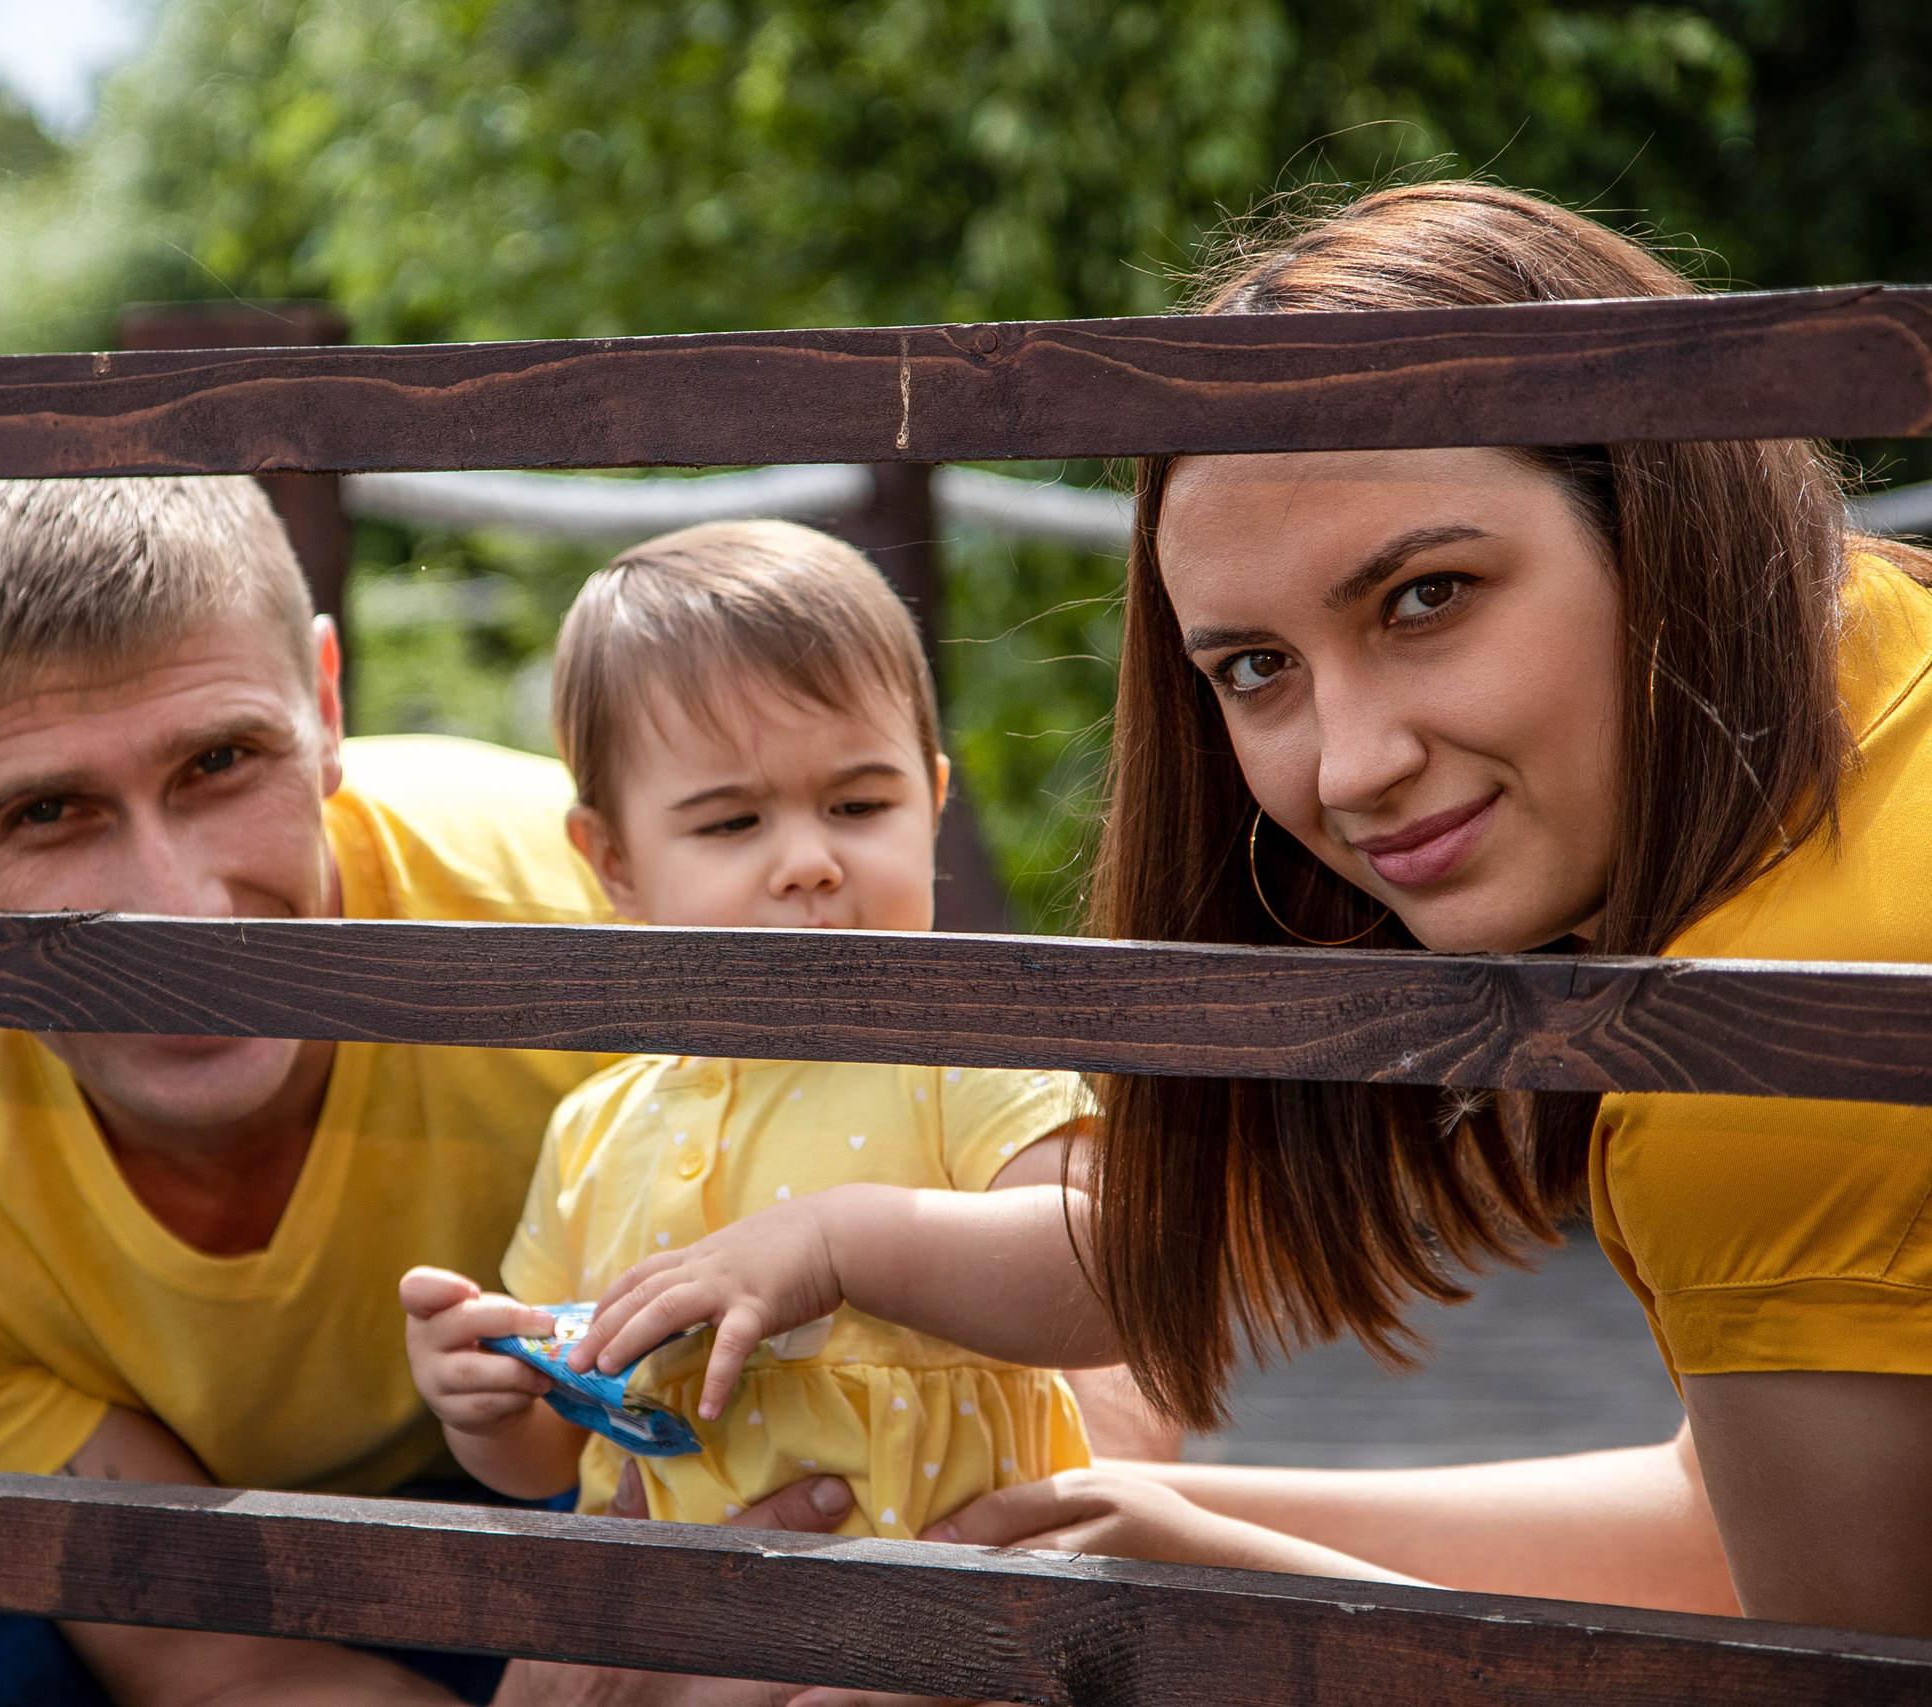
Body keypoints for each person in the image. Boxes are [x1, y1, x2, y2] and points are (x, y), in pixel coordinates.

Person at [580, 181, 1932, 1641]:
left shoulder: (1762, 1068)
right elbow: (1721, 1518)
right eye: (1251, 669)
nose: (1352, 767)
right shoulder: (1870, 626)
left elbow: (1837, 1669)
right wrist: (1185, 1529)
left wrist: (1236, 1605)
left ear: (1652, 516)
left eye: (1428, 596)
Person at [0, 477, 868, 1707]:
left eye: (221, 762)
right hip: (199, 1596)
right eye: (49, 811)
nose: (182, 905)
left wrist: (1040, 1545)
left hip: (603, 1505)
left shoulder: (606, 910)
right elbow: (209, 1654)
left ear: (326, 704)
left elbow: (995, 1185)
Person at [400, 521, 1110, 1539]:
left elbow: (1104, 1284)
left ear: (934, 801)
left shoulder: (963, 1057)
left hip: (958, 1648)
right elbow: (557, 1453)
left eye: (859, 804)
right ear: (612, 862)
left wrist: (837, 1243)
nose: (808, 862)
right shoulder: (597, 1132)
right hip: (687, 1666)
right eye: (733, 824)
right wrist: (486, 1401)